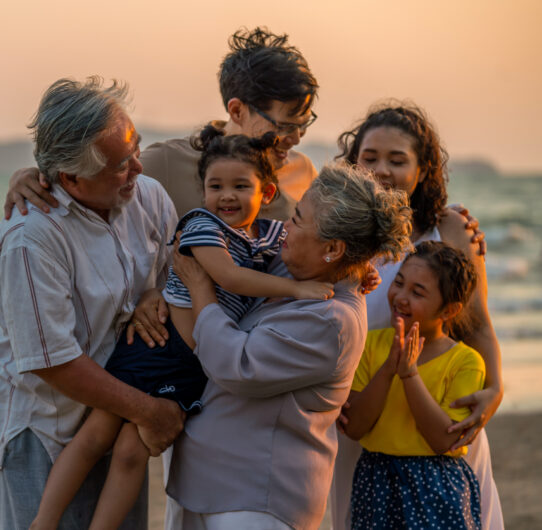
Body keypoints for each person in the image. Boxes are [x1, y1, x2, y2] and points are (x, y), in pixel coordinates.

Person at [29, 125, 333, 530]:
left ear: (268, 194)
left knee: (131, 453)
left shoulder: (269, 237)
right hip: (159, 345)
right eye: (215, 185)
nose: (227, 195)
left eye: (241, 186)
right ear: (202, 190)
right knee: (96, 435)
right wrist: (298, 290)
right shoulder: (202, 226)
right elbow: (231, 279)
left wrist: (356, 274)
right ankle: (42, 523)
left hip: (195, 368)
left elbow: (309, 244)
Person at [3, 26, 321, 349]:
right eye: (284, 126)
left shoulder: (302, 172)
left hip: (267, 349)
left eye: (303, 125)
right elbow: (99, 170)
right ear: (237, 110)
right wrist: (30, 175)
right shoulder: (168, 163)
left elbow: (318, 250)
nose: (295, 139)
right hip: (197, 352)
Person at [166, 164, 412, 530]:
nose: (284, 226)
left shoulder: (331, 320)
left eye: (297, 220)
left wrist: (200, 288)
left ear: (332, 249)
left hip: (256, 499)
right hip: (214, 485)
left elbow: (237, 365)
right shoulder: (294, 267)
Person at [0, 77, 185, 530]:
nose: (137, 167)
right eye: (121, 164)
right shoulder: (30, 238)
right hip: (48, 432)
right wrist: (149, 412)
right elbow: (52, 361)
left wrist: (156, 294)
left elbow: (179, 278)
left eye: (136, 149)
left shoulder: (148, 197)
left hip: (121, 425)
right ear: (70, 177)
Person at [330, 102, 504, 529]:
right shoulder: (338, 233)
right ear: (354, 163)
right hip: (363, 421)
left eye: (397, 159)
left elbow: (476, 321)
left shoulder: (449, 228)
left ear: (423, 169)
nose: (382, 170)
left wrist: (495, 390)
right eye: (369, 158)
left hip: (435, 417)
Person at [344, 241, 484, 529]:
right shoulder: (370, 345)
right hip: (376, 479)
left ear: (449, 310)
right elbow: (354, 427)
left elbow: (443, 440)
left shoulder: (465, 362)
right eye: (399, 283)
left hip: (436, 482)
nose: (400, 297)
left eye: (417, 292)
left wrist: (409, 374)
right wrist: (388, 370)